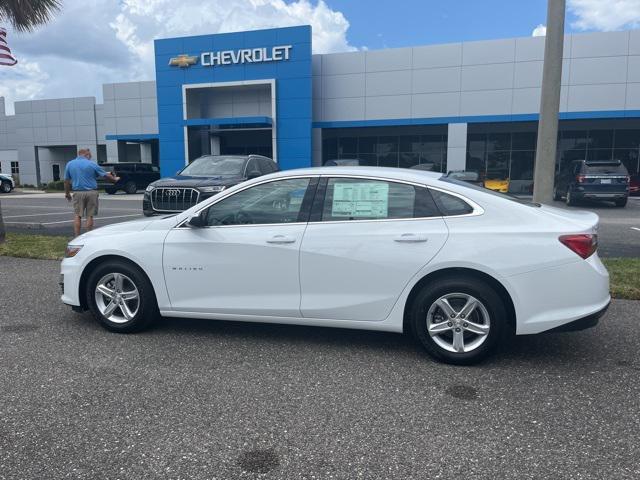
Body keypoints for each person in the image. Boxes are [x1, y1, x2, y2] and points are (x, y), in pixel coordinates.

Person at [64, 149, 119, 237]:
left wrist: (67, 193)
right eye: (90, 155)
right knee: (90, 215)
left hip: (78, 192)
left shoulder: (70, 164)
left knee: (78, 215)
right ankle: (88, 236)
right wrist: (115, 179)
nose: (90, 157)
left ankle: (77, 236)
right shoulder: (92, 164)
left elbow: (66, 181)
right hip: (91, 192)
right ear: (86, 154)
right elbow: (105, 175)